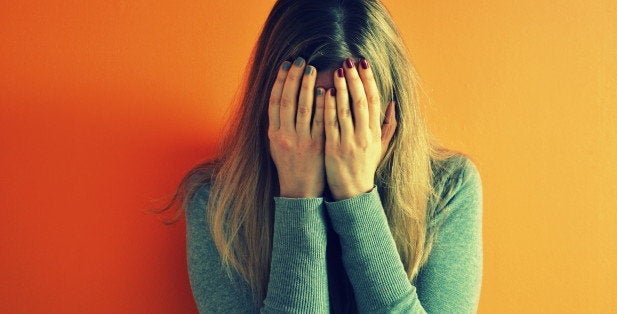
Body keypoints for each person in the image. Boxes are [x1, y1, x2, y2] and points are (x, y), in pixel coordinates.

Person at [156, 0, 483, 312]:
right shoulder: (217, 203)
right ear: (272, 106)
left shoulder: (448, 188)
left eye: (349, 110)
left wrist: (356, 195)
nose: (331, 135)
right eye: (307, 110)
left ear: (387, 109)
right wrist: (298, 196)